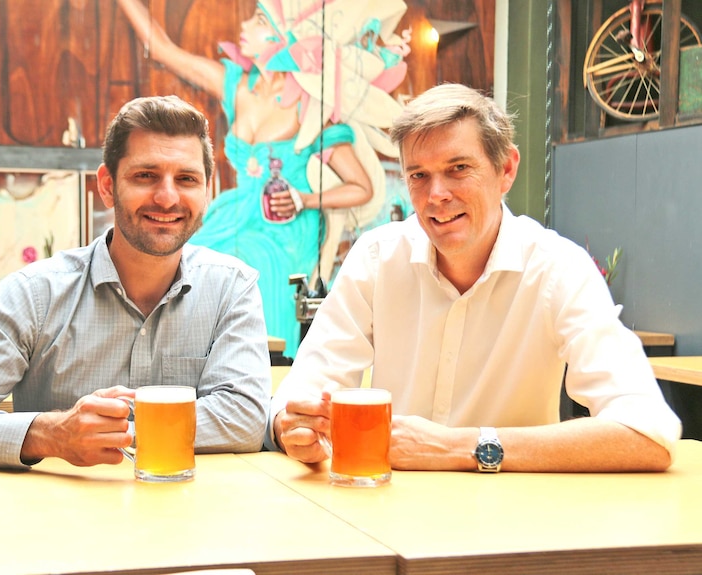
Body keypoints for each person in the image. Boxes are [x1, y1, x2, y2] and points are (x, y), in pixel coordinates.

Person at [268, 83, 682, 472]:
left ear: (506, 170)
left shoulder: (557, 268)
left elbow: (649, 431)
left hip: (509, 526)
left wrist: (460, 447)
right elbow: (298, 397)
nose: (436, 195)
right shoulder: (376, 259)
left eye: (458, 168)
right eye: (418, 175)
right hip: (388, 516)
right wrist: (294, 429)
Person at [0, 95, 271, 469]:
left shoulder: (231, 289)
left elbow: (244, 420)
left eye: (186, 179)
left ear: (207, 192)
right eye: (146, 176)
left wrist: (119, 428)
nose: (167, 197)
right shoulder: (34, 294)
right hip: (59, 521)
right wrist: (51, 434)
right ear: (107, 186)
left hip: (189, 515)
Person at [118, 0, 410, 355]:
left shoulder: (309, 106)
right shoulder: (235, 86)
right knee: (187, 261)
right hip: (237, 214)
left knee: (245, 272)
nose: (244, 26)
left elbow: (361, 187)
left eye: (258, 20)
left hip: (285, 231)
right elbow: (163, 49)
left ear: (285, 38)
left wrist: (304, 199)